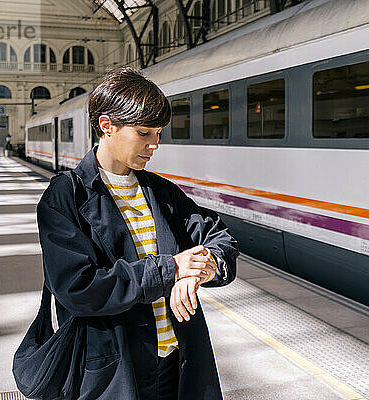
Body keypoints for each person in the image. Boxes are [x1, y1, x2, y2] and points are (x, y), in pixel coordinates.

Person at [36, 67, 238, 400]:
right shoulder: (65, 197)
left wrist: (200, 270)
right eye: (144, 133)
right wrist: (171, 269)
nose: (155, 144)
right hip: (115, 373)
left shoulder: (161, 192)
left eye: (158, 133)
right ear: (107, 125)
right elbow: (79, 288)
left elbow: (219, 237)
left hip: (176, 364)